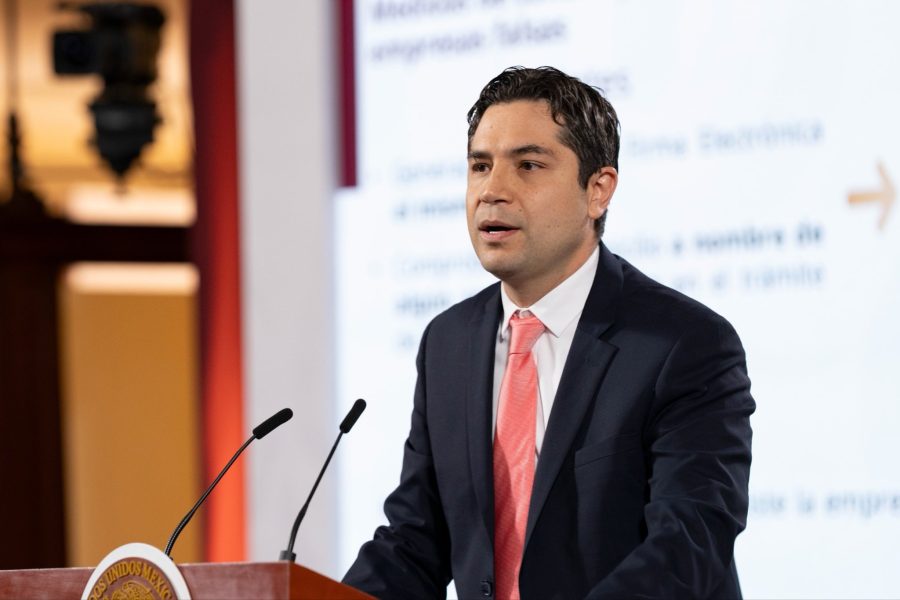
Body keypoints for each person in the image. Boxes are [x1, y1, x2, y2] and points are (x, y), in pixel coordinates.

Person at [343, 66, 754, 600]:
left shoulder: (684, 343)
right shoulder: (447, 342)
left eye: (529, 165)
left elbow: (687, 544)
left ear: (598, 191)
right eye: (480, 166)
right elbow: (415, 541)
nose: (492, 191)